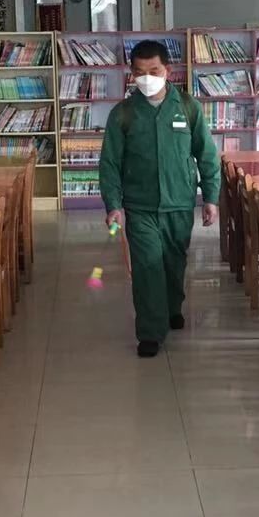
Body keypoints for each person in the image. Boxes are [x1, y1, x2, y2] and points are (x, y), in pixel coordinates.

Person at [99, 39, 220, 357]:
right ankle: (150, 332)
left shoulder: (188, 108)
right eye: (140, 72)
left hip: (179, 202)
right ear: (131, 74)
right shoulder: (123, 114)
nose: (147, 78)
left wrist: (211, 197)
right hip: (140, 206)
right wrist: (113, 205)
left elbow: (206, 155)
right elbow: (110, 163)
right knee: (147, 266)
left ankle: (171, 307)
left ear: (168, 70)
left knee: (173, 262)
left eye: (154, 71)